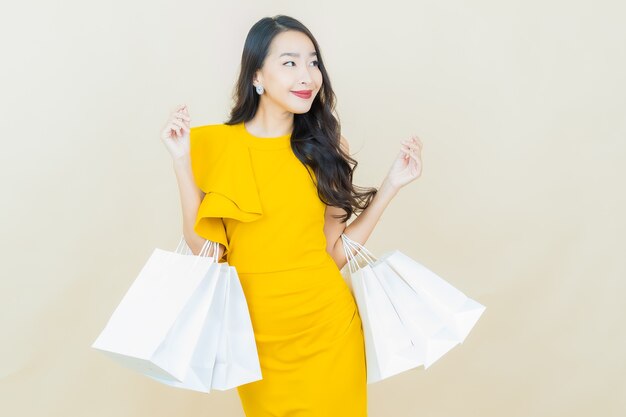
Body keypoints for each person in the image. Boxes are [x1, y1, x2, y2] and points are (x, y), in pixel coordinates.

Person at [160, 14, 422, 417]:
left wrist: (392, 184)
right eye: (290, 63)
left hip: (329, 332)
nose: (307, 76)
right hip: (257, 341)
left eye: (313, 62)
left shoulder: (326, 147)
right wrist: (181, 163)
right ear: (257, 76)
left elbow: (333, 252)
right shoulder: (212, 145)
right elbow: (208, 253)